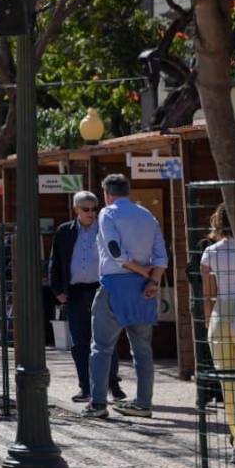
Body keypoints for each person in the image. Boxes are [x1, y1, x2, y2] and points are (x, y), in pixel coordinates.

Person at [84, 174, 168, 419]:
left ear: (107, 193)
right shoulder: (147, 216)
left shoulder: (108, 213)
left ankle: (98, 403)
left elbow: (114, 249)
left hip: (114, 285)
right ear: (128, 191)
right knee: (142, 348)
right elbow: (161, 256)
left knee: (101, 347)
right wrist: (152, 279)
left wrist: (140, 269)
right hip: (144, 288)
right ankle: (143, 403)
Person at [49, 191, 125, 403]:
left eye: (94, 209)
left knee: (105, 339)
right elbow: (55, 262)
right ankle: (85, 387)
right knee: (80, 342)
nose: (91, 213)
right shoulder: (64, 232)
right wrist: (58, 291)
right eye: (86, 209)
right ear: (76, 210)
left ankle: (113, 385)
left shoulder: (105, 229)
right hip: (75, 292)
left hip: (101, 290)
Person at [200, 204, 235, 460]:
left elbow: (208, 295)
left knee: (229, 384)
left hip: (221, 316)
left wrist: (207, 320)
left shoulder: (210, 253)